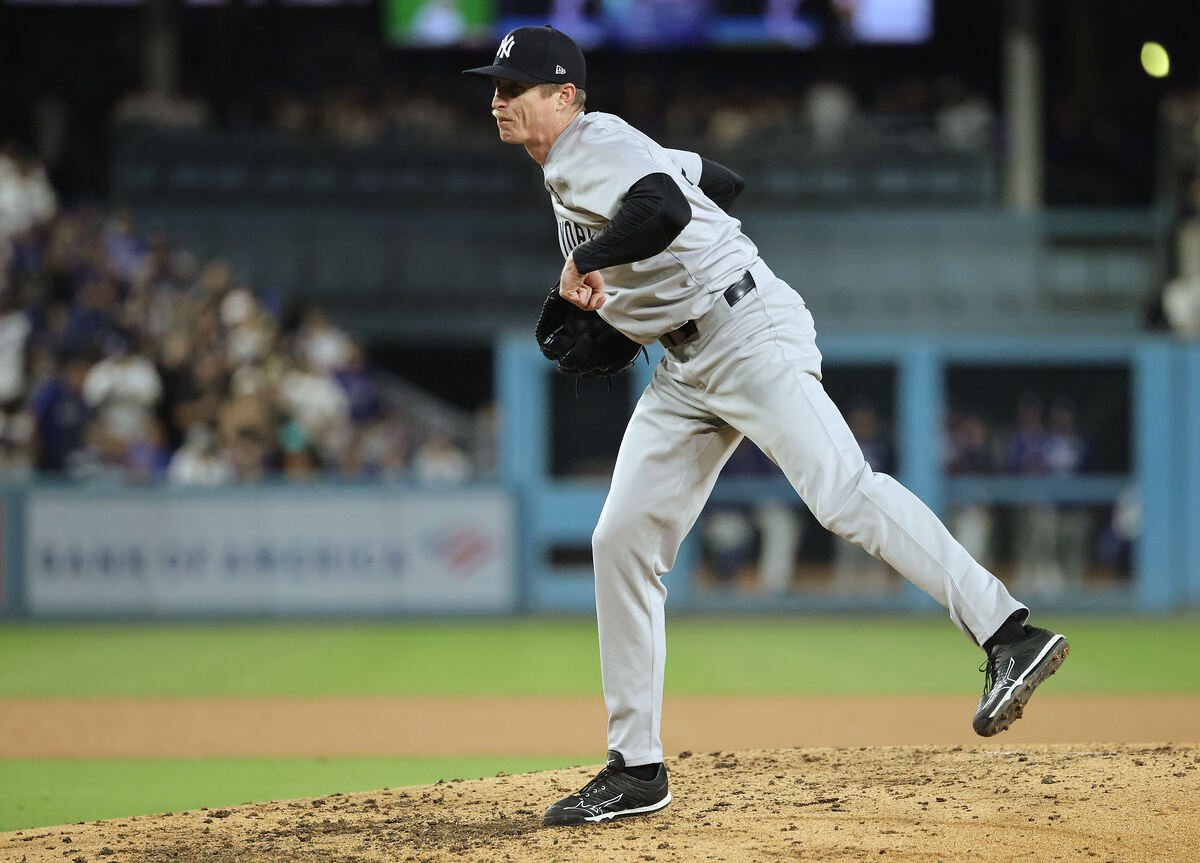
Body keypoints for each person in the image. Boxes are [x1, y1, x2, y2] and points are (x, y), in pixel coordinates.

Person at [464, 25, 1069, 827]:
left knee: (841, 493)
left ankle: (1008, 633)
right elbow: (716, 179)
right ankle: (636, 768)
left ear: (566, 97)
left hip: (747, 335)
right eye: (495, 87)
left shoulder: (586, 143)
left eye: (516, 88)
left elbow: (667, 205)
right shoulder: (597, 154)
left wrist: (596, 259)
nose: (497, 100)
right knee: (623, 540)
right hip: (685, 367)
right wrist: (637, 292)